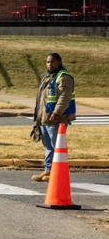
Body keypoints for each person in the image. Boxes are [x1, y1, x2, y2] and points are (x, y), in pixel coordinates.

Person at [31, 52, 76, 181]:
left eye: (53, 62)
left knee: (57, 146)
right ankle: (48, 171)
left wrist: (56, 113)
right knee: (48, 147)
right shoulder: (48, 76)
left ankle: (59, 173)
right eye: (48, 62)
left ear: (59, 62)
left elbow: (64, 97)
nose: (50, 64)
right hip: (45, 118)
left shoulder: (63, 77)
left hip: (57, 118)